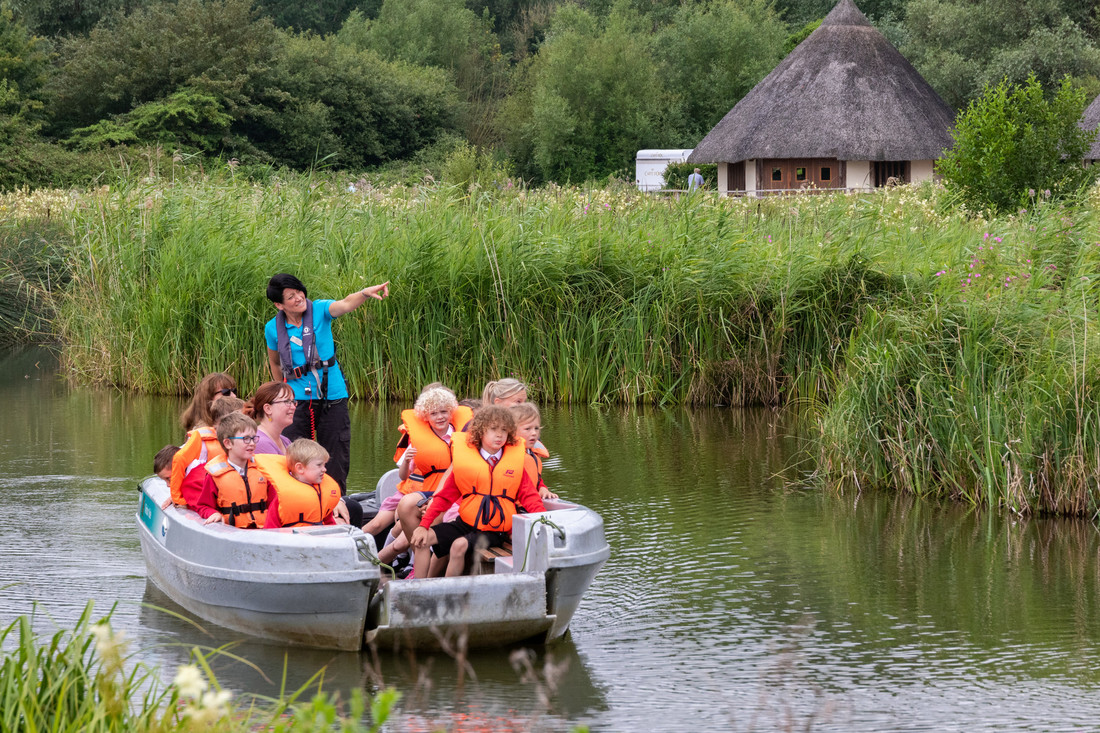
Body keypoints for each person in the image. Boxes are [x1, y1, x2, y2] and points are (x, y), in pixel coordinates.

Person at [264, 273, 390, 494]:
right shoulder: (272, 328)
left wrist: (365, 293)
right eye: (291, 296)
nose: (299, 298)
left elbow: (346, 304)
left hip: (332, 394)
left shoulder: (321, 310)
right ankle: (298, 499)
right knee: (294, 454)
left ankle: (336, 500)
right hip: (296, 399)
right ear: (279, 305)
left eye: (299, 292)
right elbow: (275, 362)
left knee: (336, 454)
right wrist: (282, 394)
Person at [410, 406, 545, 578]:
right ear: (481, 431)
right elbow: (444, 497)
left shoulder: (515, 464)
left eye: (504, 430)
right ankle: (418, 588)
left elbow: (530, 498)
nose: (499, 435)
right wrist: (424, 526)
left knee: (458, 545)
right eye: (493, 429)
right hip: (465, 523)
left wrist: (546, 523)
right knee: (421, 540)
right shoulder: (466, 463)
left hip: (495, 530)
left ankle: (448, 590)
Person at [379, 386, 473, 570]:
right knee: (406, 509)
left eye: (444, 412)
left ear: (451, 411)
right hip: (429, 491)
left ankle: (412, 565)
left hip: (454, 494)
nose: (440, 417)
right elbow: (403, 476)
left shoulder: (463, 436)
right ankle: (402, 563)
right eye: (434, 413)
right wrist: (407, 461)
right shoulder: (418, 440)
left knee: (415, 528)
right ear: (425, 416)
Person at [195, 413, 270, 528]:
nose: (252, 443)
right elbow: (203, 506)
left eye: (254, 438)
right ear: (228, 443)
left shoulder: (263, 469)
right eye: (246, 439)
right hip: (232, 532)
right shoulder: (215, 475)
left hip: (264, 530)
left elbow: (274, 502)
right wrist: (213, 513)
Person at [169, 396, 245, 508]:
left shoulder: (243, 440)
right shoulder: (203, 443)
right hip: (208, 494)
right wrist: (178, 497)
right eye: (239, 419)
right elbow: (180, 459)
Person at [257, 439, 350, 528]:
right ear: (300, 468)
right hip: (291, 537)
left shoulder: (322, 493)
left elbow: (329, 522)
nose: (324, 469)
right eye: (319, 465)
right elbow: (270, 527)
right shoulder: (283, 497)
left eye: (324, 465)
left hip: (318, 536)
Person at [511, 403, 558, 501]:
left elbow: (537, 479)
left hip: (530, 502)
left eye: (536, 428)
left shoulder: (531, 453)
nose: (534, 433)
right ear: (512, 431)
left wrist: (542, 488)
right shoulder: (507, 456)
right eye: (527, 429)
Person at [248, 381, 297, 456]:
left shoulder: (285, 440)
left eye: (293, 402)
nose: (293, 407)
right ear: (268, 409)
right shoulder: (260, 442)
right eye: (287, 402)